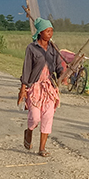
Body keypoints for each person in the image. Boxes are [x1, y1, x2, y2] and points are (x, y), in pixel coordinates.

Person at [18, 18, 63, 157]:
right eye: (47, 31)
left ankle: (42, 148)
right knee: (35, 117)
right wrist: (23, 89)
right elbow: (26, 69)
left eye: (51, 31)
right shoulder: (32, 48)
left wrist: (63, 74)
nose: (50, 33)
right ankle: (29, 131)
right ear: (40, 32)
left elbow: (58, 66)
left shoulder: (53, 48)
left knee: (48, 116)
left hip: (49, 87)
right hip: (35, 87)